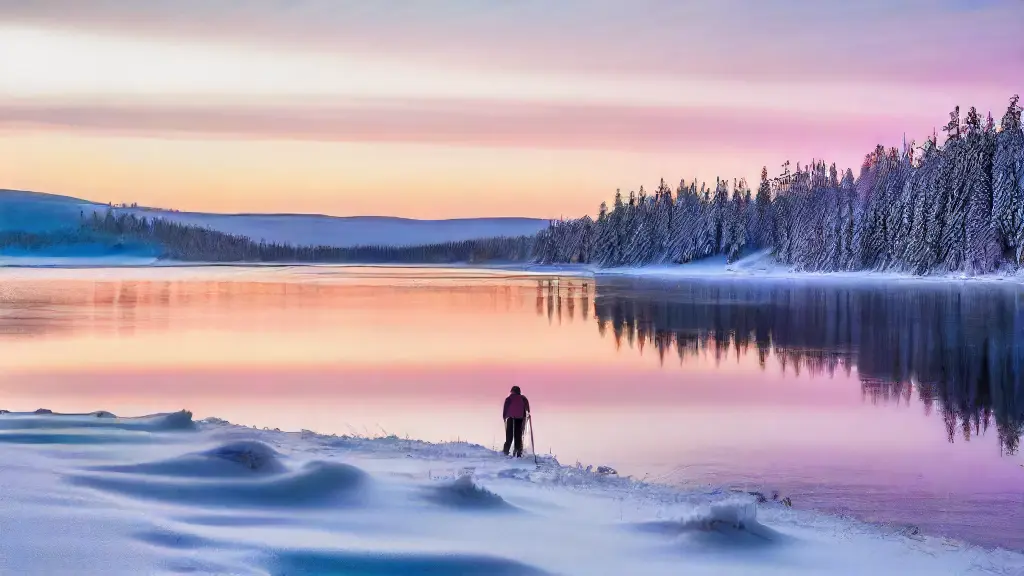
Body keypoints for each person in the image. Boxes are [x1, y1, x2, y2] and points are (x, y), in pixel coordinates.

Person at [502, 385, 531, 457]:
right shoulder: (523, 398)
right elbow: (528, 409)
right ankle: (518, 453)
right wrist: (528, 415)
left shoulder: (508, 399)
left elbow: (505, 410)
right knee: (518, 436)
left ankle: (505, 453)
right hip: (520, 419)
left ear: (512, 391)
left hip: (510, 418)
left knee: (509, 437)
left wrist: (504, 417)